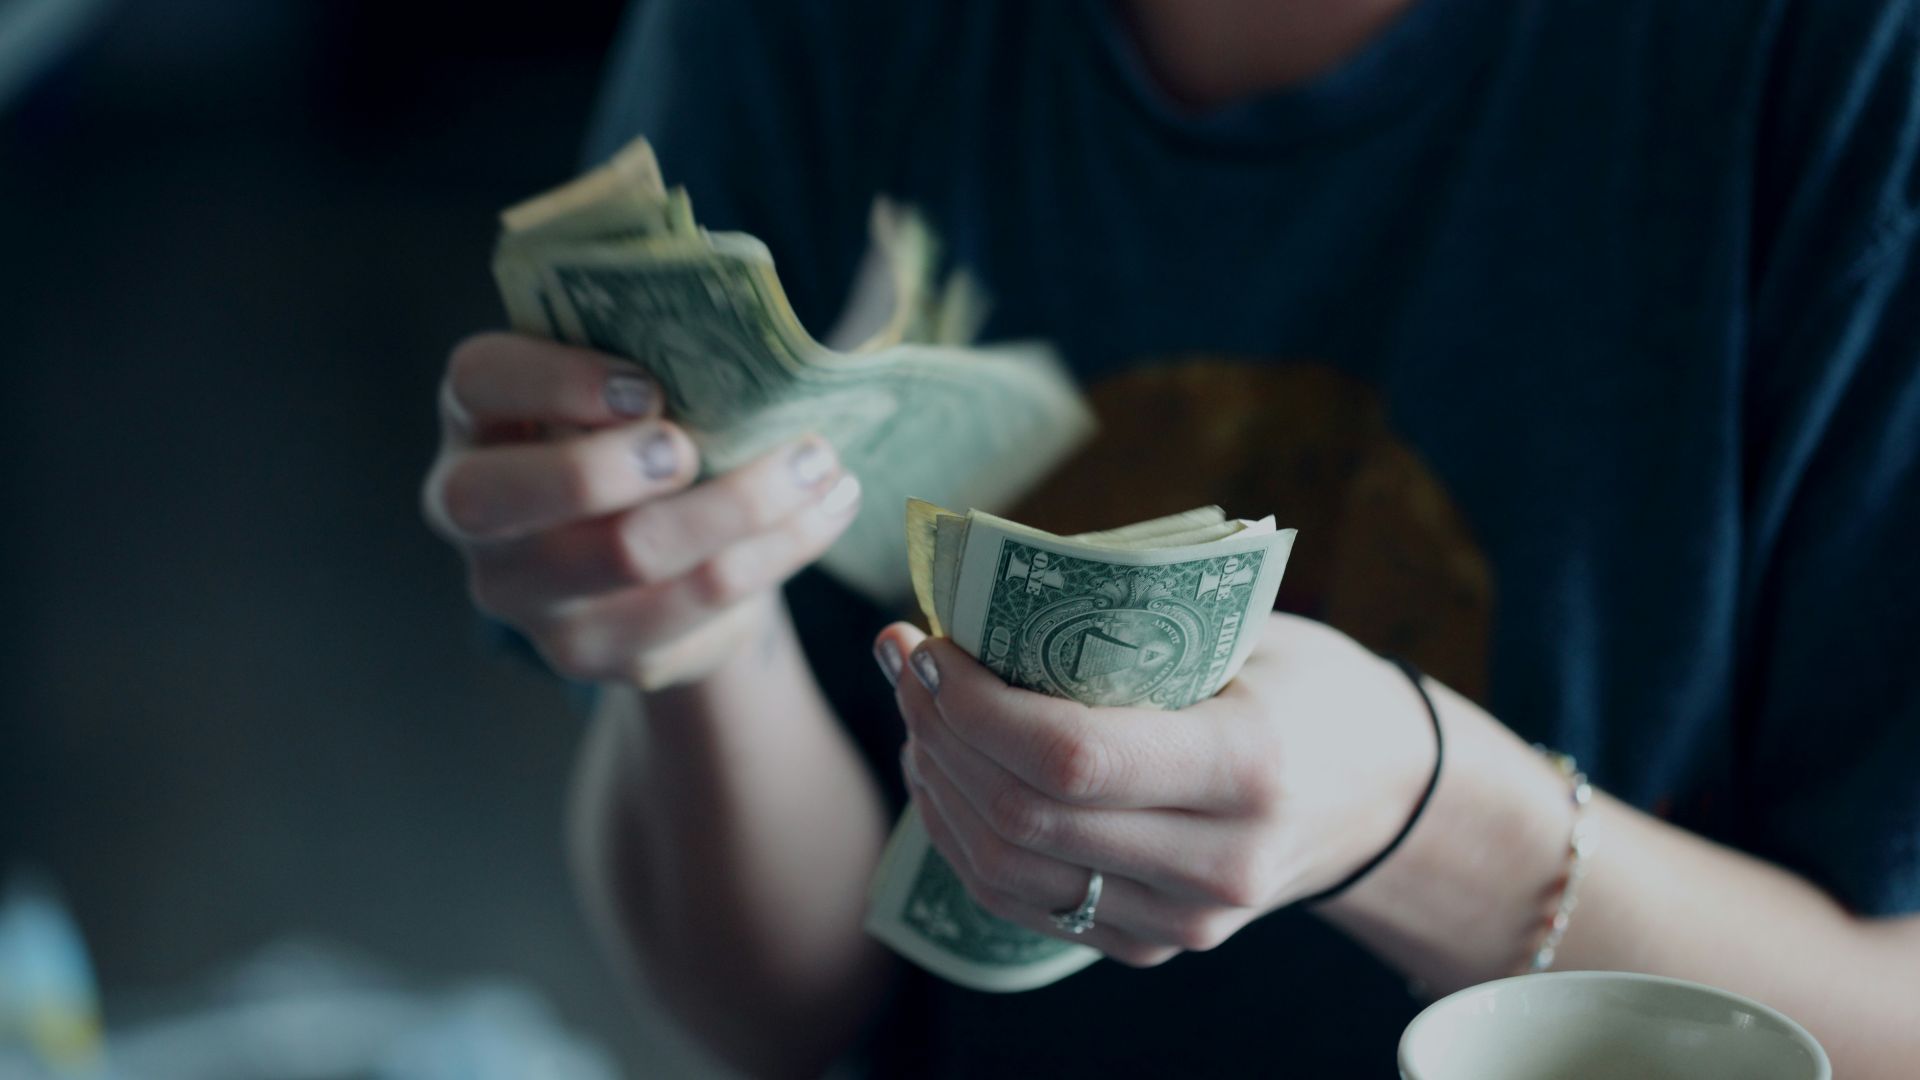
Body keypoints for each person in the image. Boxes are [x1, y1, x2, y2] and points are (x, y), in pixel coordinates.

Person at [421, 1, 1920, 1075]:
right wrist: (697, 634)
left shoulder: (1853, 69)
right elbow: (791, 1018)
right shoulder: (798, 32)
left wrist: (1425, 817)